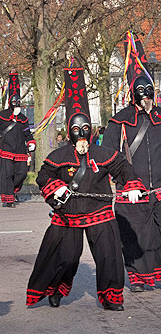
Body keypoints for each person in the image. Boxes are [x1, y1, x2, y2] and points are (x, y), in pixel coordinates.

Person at [26, 66, 145, 311]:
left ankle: (111, 297)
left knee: (108, 256)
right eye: (77, 130)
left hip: (99, 212)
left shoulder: (103, 153)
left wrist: (132, 186)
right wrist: (56, 187)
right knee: (66, 256)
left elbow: (123, 167)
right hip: (67, 216)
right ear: (69, 132)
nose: (82, 135)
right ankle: (57, 288)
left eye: (86, 129)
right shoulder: (58, 155)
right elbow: (43, 176)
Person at [103, 33, 161, 293]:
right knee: (135, 234)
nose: (146, 96)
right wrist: (123, 182)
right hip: (132, 190)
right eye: (141, 91)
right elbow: (108, 156)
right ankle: (138, 277)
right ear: (133, 93)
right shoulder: (118, 122)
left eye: (149, 91)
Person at [0, 72, 35, 208]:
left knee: (22, 173)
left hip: (20, 150)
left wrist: (31, 143)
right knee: (7, 174)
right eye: (15, 102)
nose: (17, 104)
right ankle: (8, 199)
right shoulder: (2, 116)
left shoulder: (24, 119)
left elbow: (28, 134)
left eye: (18, 102)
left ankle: (11, 191)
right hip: (6, 149)